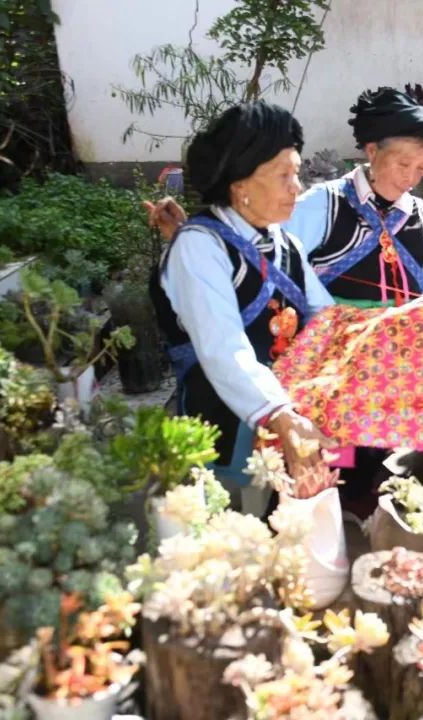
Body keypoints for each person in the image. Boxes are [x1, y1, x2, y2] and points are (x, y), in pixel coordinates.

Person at [148, 101, 331, 492]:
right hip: (225, 424)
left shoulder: (286, 244)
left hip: (290, 417)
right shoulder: (198, 246)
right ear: (240, 185)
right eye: (283, 175)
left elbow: (325, 317)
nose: (297, 187)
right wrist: (281, 414)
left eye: (296, 173)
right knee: (232, 518)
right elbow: (223, 347)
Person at [283, 86, 423, 306]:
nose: (411, 178)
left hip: (412, 328)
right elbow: (281, 264)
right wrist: (327, 310)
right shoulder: (324, 203)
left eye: (422, 167)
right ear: (372, 151)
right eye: (403, 164)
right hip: (335, 327)